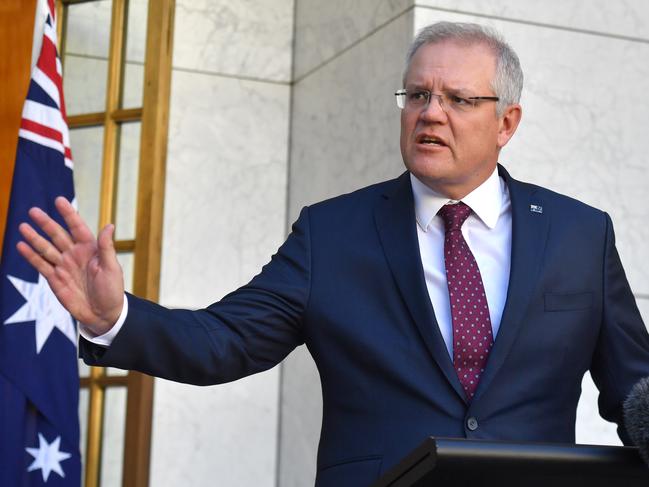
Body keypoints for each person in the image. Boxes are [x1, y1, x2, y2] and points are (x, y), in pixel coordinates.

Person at [17, 22, 649, 486]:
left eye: (458, 99)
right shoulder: (334, 233)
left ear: (507, 123)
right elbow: (225, 340)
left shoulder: (577, 235)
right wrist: (112, 318)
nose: (431, 113)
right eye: (417, 96)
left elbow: (634, 390)